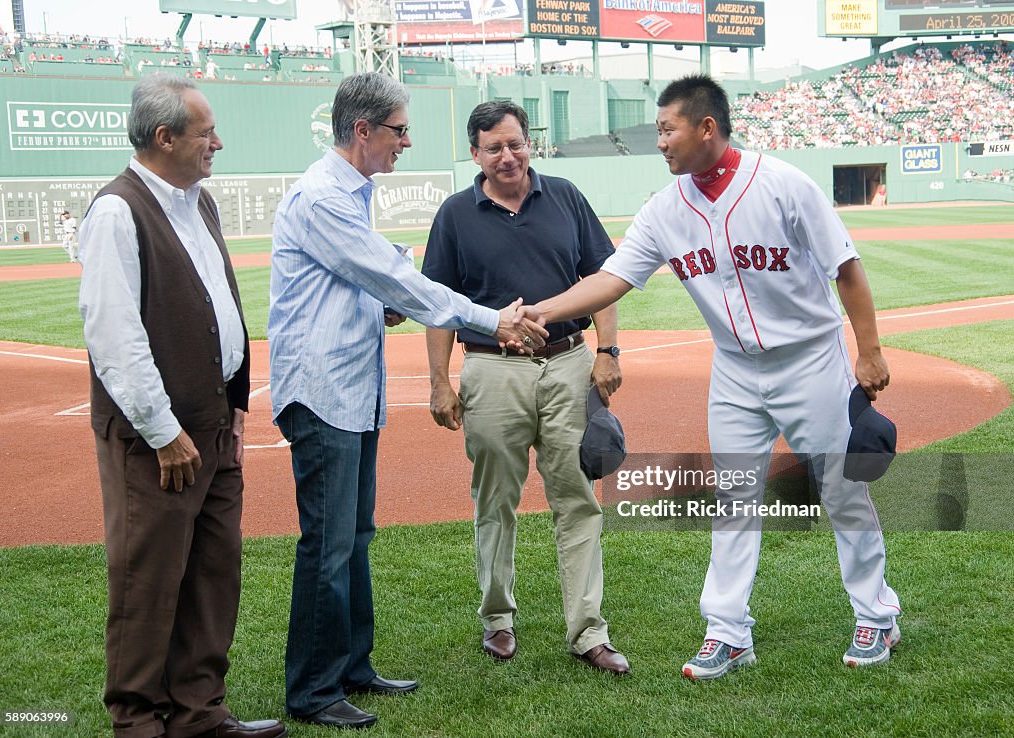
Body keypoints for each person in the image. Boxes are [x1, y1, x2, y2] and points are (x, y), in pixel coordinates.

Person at [517, 74, 902, 680]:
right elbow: (612, 279)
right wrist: (545, 308)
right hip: (735, 372)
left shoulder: (783, 186)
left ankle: (877, 616)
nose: (660, 141)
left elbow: (845, 269)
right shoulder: (665, 209)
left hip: (811, 361)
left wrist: (870, 351)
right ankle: (727, 632)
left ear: (706, 128)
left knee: (841, 491)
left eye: (668, 129)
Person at [268, 73, 546, 731]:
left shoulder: (349, 194)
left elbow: (372, 285)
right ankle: (312, 690)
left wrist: (387, 300)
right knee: (329, 546)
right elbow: (392, 276)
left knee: (355, 537)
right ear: (362, 131)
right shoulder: (321, 199)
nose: (407, 141)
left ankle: (351, 666)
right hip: (323, 392)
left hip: (349, 391)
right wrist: (491, 320)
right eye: (398, 129)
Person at [78, 75, 286, 738]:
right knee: (148, 583)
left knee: (212, 576)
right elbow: (114, 334)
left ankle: (200, 714)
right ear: (165, 137)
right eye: (205, 133)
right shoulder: (117, 211)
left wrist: (229, 405)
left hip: (214, 425)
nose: (217, 143)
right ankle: (139, 722)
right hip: (157, 438)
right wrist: (164, 433)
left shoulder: (200, 203)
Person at [421, 100, 630, 675]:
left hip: (567, 362)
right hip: (490, 369)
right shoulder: (455, 214)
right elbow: (438, 306)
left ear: (527, 143)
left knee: (577, 500)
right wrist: (440, 382)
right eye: (495, 148)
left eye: (515, 144)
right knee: (495, 501)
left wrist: (607, 352)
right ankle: (498, 620)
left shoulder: (564, 195)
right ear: (476, 154)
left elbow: (605, 278)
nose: (508, 156)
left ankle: (588, 631)